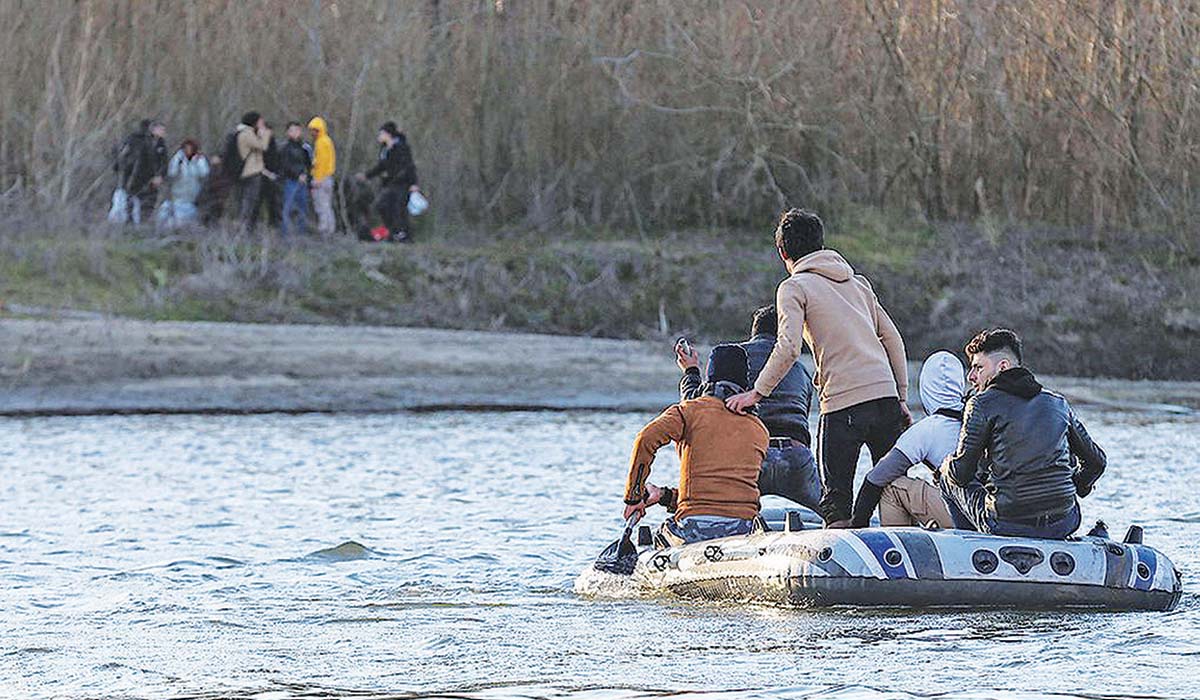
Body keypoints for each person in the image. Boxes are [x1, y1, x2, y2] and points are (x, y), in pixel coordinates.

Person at [726, 208, 912, 528]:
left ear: (782, 252)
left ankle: (842, 572)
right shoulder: (860, 285)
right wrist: (901, 397)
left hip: (843, 404)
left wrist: (757, 393)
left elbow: (787, 347)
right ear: (822, 244)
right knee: (895, 491)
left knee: (837, 500)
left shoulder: (794, 287)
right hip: (885, 400)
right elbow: (892, 339)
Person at [939, 329, 1106, 539]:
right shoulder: (1058, 403)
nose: (971, 377)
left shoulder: (980, 404)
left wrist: (947, 465)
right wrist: (1077, 486)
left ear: (1003, 367)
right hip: (1064, 522)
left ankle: (972, 549)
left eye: (978, 367)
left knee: (947, 474)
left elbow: (961, 474)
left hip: (1006, 525)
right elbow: (1097, 462)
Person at [677, 305, 820, 513]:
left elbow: (694, 405)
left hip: (748, 460)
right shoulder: (800, 369)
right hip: (796, 457)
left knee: (717, 514)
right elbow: (804, 420)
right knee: (834, 514)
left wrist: (690, 371)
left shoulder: (732, 360)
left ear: (754, 331)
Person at [623, 345, 769, 547]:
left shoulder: (687, 412)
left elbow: (645, 439)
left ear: (709, 378)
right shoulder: (759, 430)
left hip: (693, 528)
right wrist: (664, 496)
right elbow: (721, 494)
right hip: (745, 529)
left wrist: (634, 497)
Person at [849, 351, 965, 529]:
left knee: (891, 487)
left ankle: (898, 550)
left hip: (962, 516)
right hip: (985, 511)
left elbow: (875, 479)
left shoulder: (927, 429)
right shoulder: (975, 416)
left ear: (926, 388)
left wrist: (857, 527)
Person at [357, 121, 419, 243]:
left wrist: (414, 183)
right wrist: (367, 175)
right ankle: (394, 231)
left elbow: (409, 166)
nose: (379, 136)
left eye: (381, 134)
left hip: (402, 183)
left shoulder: (402, 147)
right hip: (389, 184)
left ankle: (405, 236)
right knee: (383, 206)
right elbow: (381, 166)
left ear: (388, 134)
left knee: (399, 209)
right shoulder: (385, 150)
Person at [113, 119, 167, 224]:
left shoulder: (160, 144)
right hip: (133, 179)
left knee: (147, 206)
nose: (163, 132)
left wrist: (160, 175)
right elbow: (125, 160)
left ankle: (142, 227)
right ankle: (128, 227)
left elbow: (164, 162)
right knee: (129, 205)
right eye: (161, 129)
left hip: (150, 181)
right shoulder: (135, 140)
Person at [156, 139, 210, 227]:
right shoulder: (178, 157)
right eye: (186, 148)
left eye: (190, 148)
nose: (188, 150)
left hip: (193, 194)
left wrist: (198, 161)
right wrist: (178, 165)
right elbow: (171, 173)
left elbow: (204, 173)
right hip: (178, 194)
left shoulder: (199, 158)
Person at [235, 112, 272, 232]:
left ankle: (247, 227)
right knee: (249, 200)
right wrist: (265, 133)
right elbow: (262, 146)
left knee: (250, 200)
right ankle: (243, 228)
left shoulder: (245, 133)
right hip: (251, 172)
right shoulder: (247, 133)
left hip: (251, 171)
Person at [278, 122, 313, 238]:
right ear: (288, 132)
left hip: (303, 182)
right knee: (288, 208)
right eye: (292, 130)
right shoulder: (285, 148)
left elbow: (308, 165)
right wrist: (297, 175)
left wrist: (308, 178)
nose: (295, 133)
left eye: (297, 130)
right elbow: (285, 165)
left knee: (303, 208)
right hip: (291, 181)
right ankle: (285, 234)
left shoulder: (304, 147)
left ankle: (301, 233)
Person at [307, 116, 337, 237]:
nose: (312, 132)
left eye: (314, 130)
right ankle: (330, 228)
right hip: (328, 178)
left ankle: (324, 229)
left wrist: (318, 179)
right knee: (327, 205)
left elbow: (321, 162)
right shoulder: (327, 141)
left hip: (321, 178)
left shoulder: (321, 143)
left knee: (321, 205)